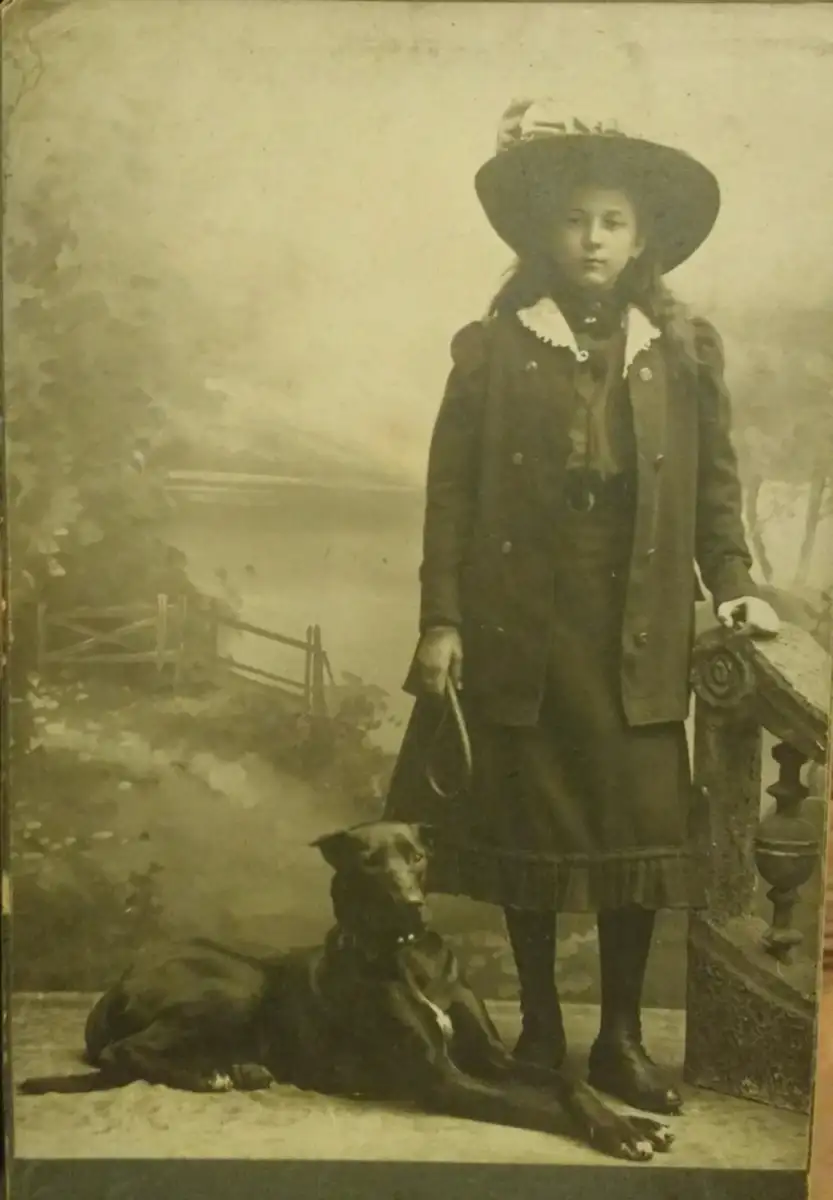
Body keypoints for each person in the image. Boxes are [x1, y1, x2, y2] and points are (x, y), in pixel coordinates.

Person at [383, 98, 780, 1115]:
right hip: (523, 621)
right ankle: (537, 1032)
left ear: (641, 235)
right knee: (525, 824)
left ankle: (613, 1040)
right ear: (538, 234)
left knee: (630, 836)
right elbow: (450, 496)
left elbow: (713, 493)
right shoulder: (492, 347)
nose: (591, 240)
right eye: (572, 221)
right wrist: (442, 619)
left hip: (634, 622)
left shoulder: (682, 351)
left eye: (611, 222)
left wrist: (731, 584)